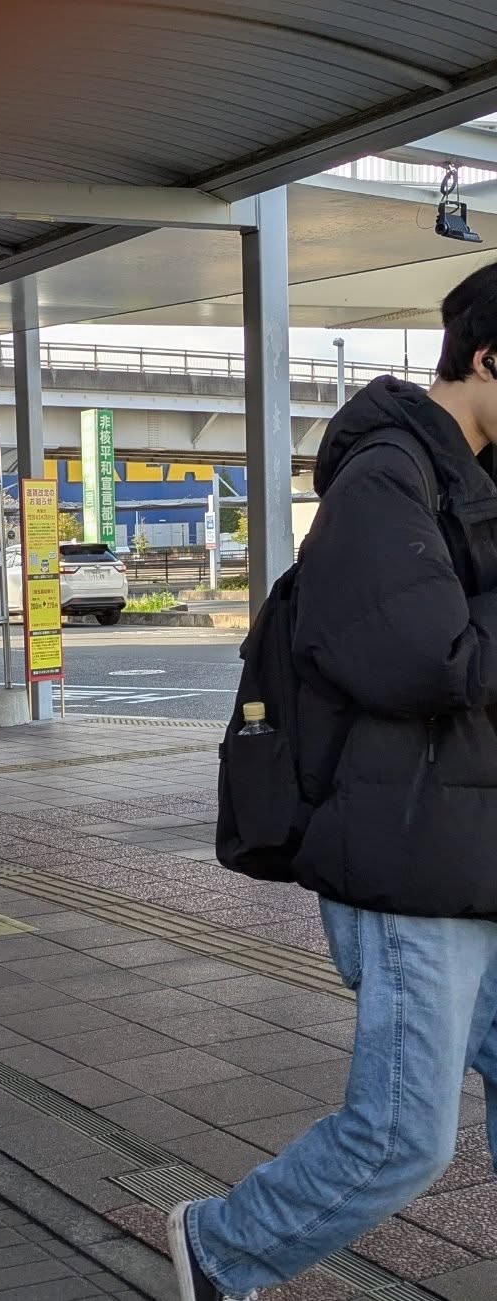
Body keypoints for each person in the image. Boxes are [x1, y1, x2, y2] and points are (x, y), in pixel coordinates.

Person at [168, 263, 497, 1300]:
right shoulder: (387, 474)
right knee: (404, 1136)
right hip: (410, 860)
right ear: (491, 359)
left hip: (477, 847)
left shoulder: (476, 477)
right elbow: (419, 657)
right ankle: (224, 1245)